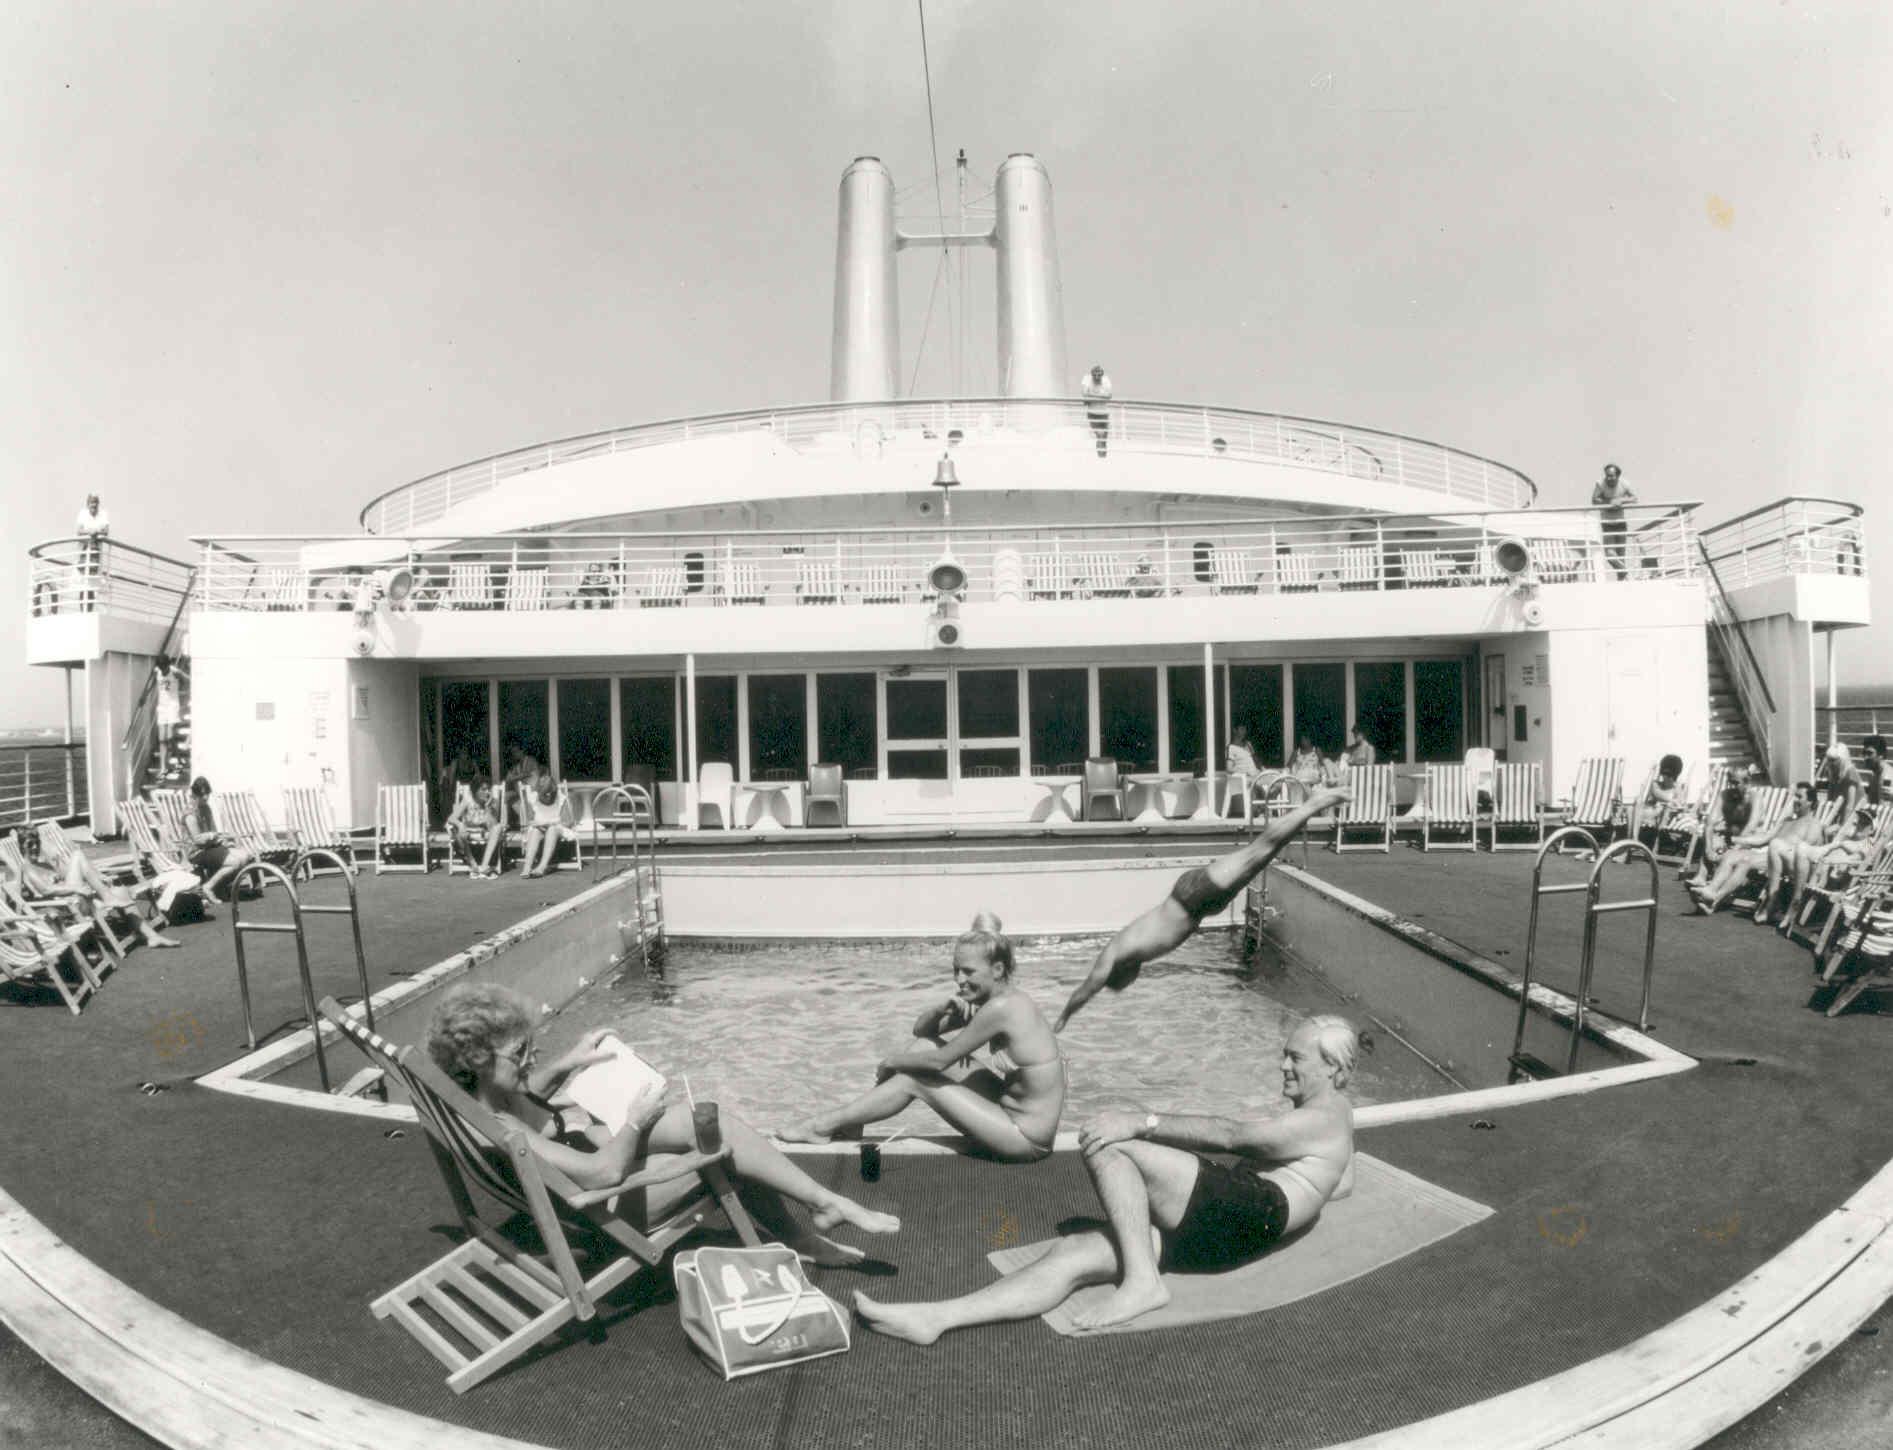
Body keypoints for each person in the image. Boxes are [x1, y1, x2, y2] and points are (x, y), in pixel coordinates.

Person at [854, 1014, 1358, 1340]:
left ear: (1334, 1069)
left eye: (1295, 1057)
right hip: (1231, 1234)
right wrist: (1315, 1191)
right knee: (1073, 1252)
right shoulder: (1332, 1122)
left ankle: (1142, 1283)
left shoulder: (1324, 1115)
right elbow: (1344, 1180)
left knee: (1109, 1140)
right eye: (1285, 1054)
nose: (1282, 1065)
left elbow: (1233, 1136)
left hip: (1253, 1209)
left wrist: (1143, 1120)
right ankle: (937, 1318)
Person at [425, 983, 899, 1265]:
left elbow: (532, 1091)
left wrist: (573, 1061)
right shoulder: (506, 1129)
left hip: (588, 1181)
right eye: (521, 1053)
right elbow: (604, 1175)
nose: (533, 1059)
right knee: (720, 1147)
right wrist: (634, 1120)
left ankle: (818, 1211)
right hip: (604, 1208)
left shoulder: (481, 1100)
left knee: (703, 1118)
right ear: (479, 1058)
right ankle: (813, 1221)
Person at [1054, 787, 1349, 1032]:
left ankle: (1317, 802)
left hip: (1194, 896)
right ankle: (1312, 807)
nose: (1133, 982)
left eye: (1125, 984)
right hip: (1198, 899)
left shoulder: (1117, 953)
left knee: (1261, 848)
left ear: (1121, 975)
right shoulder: (1134, 955)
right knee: (1265, 853)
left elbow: (1087, 988)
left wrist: (1064, 1017)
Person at [779, 914, 1064, 1162]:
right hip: (1008, 1110)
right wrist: (942, 1008)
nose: (959, 980)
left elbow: (940, 1062)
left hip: (1025, 1139)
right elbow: (922, 1033)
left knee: (914, 1078)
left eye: (968, 971)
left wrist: (891, 1061)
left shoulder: (1002, 1009)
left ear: (998, 970)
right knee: (923, 1049)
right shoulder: (995, 999)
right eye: (956, 970)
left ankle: (823, 1125)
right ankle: (852, 1123)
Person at [5, 827, 179, 950]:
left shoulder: (44, 864)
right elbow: (46, 891)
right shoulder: (26, 867)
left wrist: (58, 863)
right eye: (29, 844)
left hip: (78, 899)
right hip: (68, 907)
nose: (34, 847)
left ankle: (152, 937)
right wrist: (78, 888)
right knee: (78, 855)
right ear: (22, 847)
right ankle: (107, 898)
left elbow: (69, 874)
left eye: (36, 842)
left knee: (120, 891)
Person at [1690, 781, 1819, 917]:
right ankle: (1711, 889)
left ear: (1810, 802)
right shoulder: (1788, 821)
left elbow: (1805, 853)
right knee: (1731, 855)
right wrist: (1735, 840)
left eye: (1800, 797)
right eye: (1795, 797)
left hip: (1785, 863)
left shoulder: (1813, 825)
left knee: (1745, 862)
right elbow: (1764, 839)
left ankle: (1714, 899)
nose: (1795, 800)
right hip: (1768, 856)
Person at [1781, 803, 1878, 930]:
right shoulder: (1850, 839)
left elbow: (1857, 858)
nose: (1859, 826)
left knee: (1801, 850)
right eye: (1859, 821)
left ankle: (1793, 906)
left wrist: (1838, 846)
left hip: (1831, 879)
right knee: (1799, 848)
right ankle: (1792, 903)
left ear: (1871, 830)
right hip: (1821, 868)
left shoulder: (1869, 844)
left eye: (1865, 824)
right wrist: (1834, 842)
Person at [184, 777, 257, 901]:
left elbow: (214, 831)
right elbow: (198, 840)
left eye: (207, 793)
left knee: (245, 856)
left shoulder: (206, 809)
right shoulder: (190, 814)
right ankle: (209, 887)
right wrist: (212, 836)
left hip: (211, 847)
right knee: (235, 862)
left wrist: (223, 841)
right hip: (197, 852)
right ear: (195, 795)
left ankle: (219, 886)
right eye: (202, 794)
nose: (206, 797)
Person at [448, 778, 505, 879]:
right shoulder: (468, 800)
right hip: (467, 833)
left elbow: (492, 825)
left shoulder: (492, 803)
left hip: (485, 832)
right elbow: (451, 818)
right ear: (475, 791)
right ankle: (472, 863)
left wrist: (488, 807)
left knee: (498, 827)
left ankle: (483, 866)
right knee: (458, 830)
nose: (487, 792)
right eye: (483, 789)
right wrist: (460, 824)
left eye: (488, 789)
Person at [1591, 463, 1638, 579]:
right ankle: (1627, 573)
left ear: (1617, 476)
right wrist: (1609, 502)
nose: (1609, 478)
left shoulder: (1624, 484)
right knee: (1610, 555)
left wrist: (1621, 500)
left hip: (1620, 522)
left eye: (1612, 476)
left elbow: (1634, 498)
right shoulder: (1600, 484)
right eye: (1607, 475)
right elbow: (1594, 500)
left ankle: (1622, 580)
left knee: (1621, 557)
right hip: (1607, 522)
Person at [519, 772, 566, 878]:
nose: (548, 796)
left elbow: (568, 821)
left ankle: (542, 866)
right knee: (535, 831)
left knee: (552, 829)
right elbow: (530, 820)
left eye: (550, 793)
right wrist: (536, 824)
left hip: (557, 827)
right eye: (545, 793)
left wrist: (549, 823)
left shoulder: (560, 798)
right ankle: (527, 867)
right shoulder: (533, 798)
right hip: (539, 827)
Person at [1632, 754, 1686, 842]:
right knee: (1634, 806)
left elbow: (1681, 805)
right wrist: (1672, 801)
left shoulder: (1677, 789)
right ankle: (1633, 840)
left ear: (1675, 775)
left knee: (1638, 808)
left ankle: (1634, 840)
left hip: (1662, 817)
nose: (1666, 777)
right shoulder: (1656, 785)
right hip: (1650, 814)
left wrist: (1673, 802)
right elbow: (1660, 795)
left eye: (1669, 774)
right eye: (1664, 773)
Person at [73, 494, 110, 606]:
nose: (93, 505)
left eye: (95, 503)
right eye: (91, 503)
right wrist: (90, 532)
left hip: (96, 552)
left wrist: (96, 531)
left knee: (93, 582)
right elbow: (79, 531)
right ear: (87, 504)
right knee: (82, 581)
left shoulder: (103, 514)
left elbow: (106, 530)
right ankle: (83, 608)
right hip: (83, 550)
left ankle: (89, 607)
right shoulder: (83, 514)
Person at [1081, 364, 1113, 458]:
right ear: (1092, 375)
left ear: (1102, 374)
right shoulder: (1087, 379)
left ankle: (1102, 457)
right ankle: (1101, 458)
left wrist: (1092, 395)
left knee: (1103, 438)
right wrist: (1101, 396)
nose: (1097, 377)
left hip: (1104, 414)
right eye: (1095, 375)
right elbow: (1084, 394)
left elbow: (1109, 396)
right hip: (1093, 413)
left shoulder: (1106, 380)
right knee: (1100, 435)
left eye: (1099, 375)